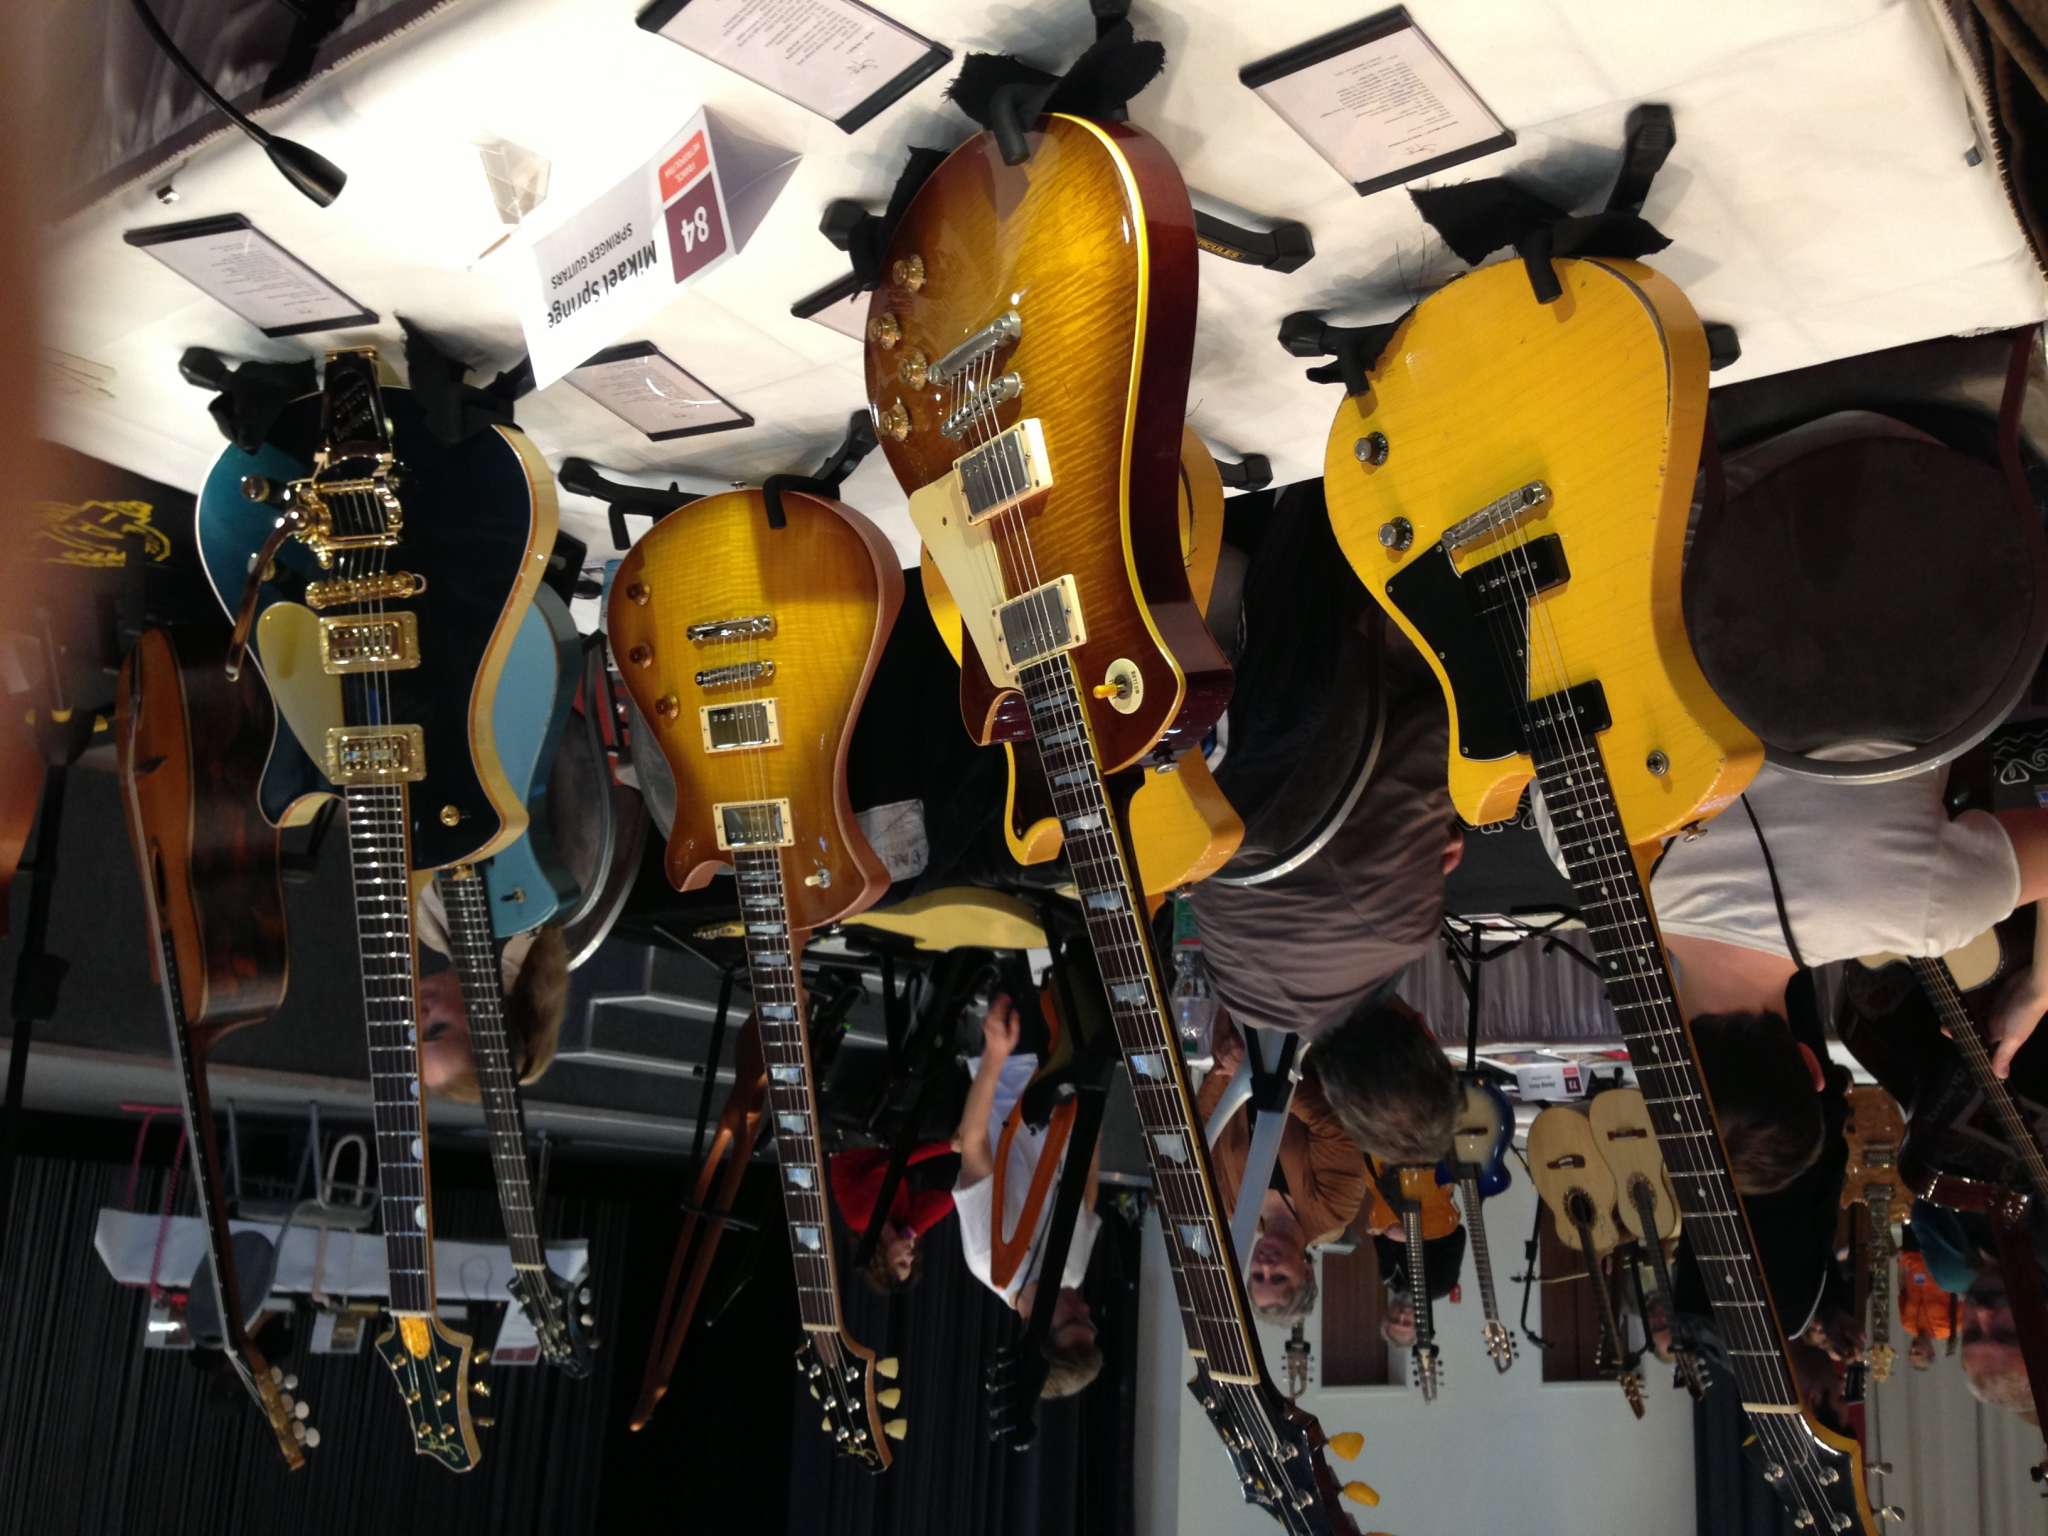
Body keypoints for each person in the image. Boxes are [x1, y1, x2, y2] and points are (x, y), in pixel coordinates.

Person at [1186, 489, 1465, 1169]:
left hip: (1328, 601)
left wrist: (1453, 813)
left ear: (1426, 1033)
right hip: (1200, 674)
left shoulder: (1399, 930)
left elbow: (1438, 731)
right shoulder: (1240, 998)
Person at [953, 994, 1103, 1398]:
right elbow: (1087, 1181)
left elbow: (974, 1144)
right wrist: (1094, 1093)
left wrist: (995, 1054)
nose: (1085, 1308)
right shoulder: (1074, 1274)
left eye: (1074, 1320)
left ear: (1035, 1329)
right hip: (1070, 1074)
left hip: (1014, 1064)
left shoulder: (989, 1260)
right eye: (1089, 1321)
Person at [1191, 1017, 1368, 1324]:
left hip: (1238, 1035)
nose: (1266, 1266)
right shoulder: (1334, 1210)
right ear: (1306, 1272)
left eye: (1258, 1276)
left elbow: (1205, 1125)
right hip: (1312, 1030)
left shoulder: (1232, 1205)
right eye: (1279, 1278)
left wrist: (1229, 1066)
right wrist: (1261, 1075)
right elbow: (1334, 1126)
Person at [411, 884, 570, 1098]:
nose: (419, 1017)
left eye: (414, 1034)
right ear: (491, 1024)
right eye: (437, 1028)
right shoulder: (516, 919)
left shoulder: (433, 934)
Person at [828, 1143, 958, 1294]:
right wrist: (912, 1229)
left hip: (855, 1139)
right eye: (911, 1262)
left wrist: (951, 1145)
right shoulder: (899, 1224)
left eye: (902, 1263)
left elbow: (893, 1165)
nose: (911, 1257)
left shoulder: (863, 1219)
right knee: (955, 1173)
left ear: (882, 1261)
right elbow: (949, 1198)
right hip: (883, 1146)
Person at [1898, 1244, 1955, 1371]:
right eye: (1918, 1353)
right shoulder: (1947, 1328)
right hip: (1939, 1254)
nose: (1913, 1348)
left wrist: (1901, 1261)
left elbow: (1902, 1288)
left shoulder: (1906, 1324)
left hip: (1911, 1253)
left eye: (1910, 1352)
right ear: (1931, 1352)